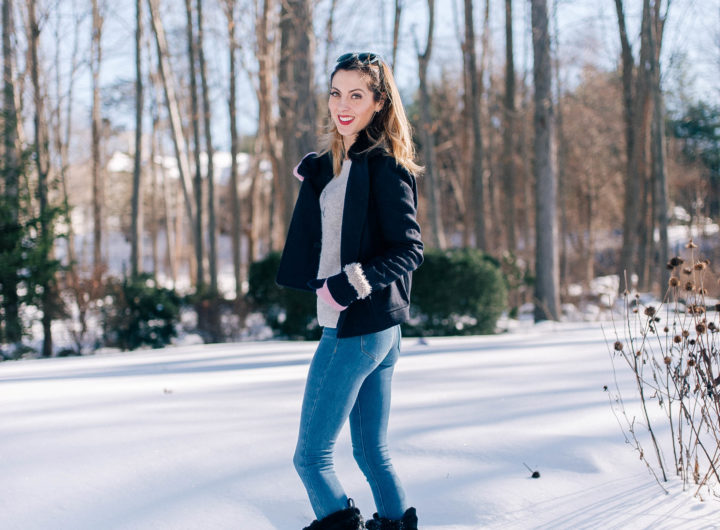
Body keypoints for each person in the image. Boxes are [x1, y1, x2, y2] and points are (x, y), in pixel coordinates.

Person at [276, 52, 424, 530]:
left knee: (310, 458)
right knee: (371, 454)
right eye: (336, 93)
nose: (343, 104)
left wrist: (348, 284)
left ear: (379, 103)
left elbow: (408, 250)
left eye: (356, 95)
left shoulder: (384, 166)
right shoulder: (341, 164)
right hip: (376, 332)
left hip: (356, 329)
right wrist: (318, 175)